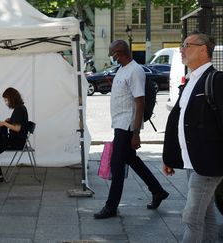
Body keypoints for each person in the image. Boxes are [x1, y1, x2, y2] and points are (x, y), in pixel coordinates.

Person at [94, 40, 169, 219]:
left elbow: (140, 102)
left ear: (119, 53)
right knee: (131, 160)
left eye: (112, 54)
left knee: (117, 165)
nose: (111, 58)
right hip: (119, 123)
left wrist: (136, 133)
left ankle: (111, 206)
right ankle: (158, 191)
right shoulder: (122, 69)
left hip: (127, 126)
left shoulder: (135, 71)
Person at [162, 32, 223, 242]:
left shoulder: (216, 80)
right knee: (206, 216)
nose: (181, 49)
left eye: (186, 45)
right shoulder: (190, 81)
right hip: (192, 162)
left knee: (191, 217)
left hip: (208, 163)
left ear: (203, 49)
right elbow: (179, 122)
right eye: (182, 45)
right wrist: (170, 157)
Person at [0, 87, 28, 182]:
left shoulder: (18, 110)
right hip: (18, 140)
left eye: (6, 100)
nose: (6, 102)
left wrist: (5, 124)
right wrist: (10, 121)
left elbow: (17, 128)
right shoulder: (21, 108)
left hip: (16, 142)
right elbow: (18, 124)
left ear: (12, 98)